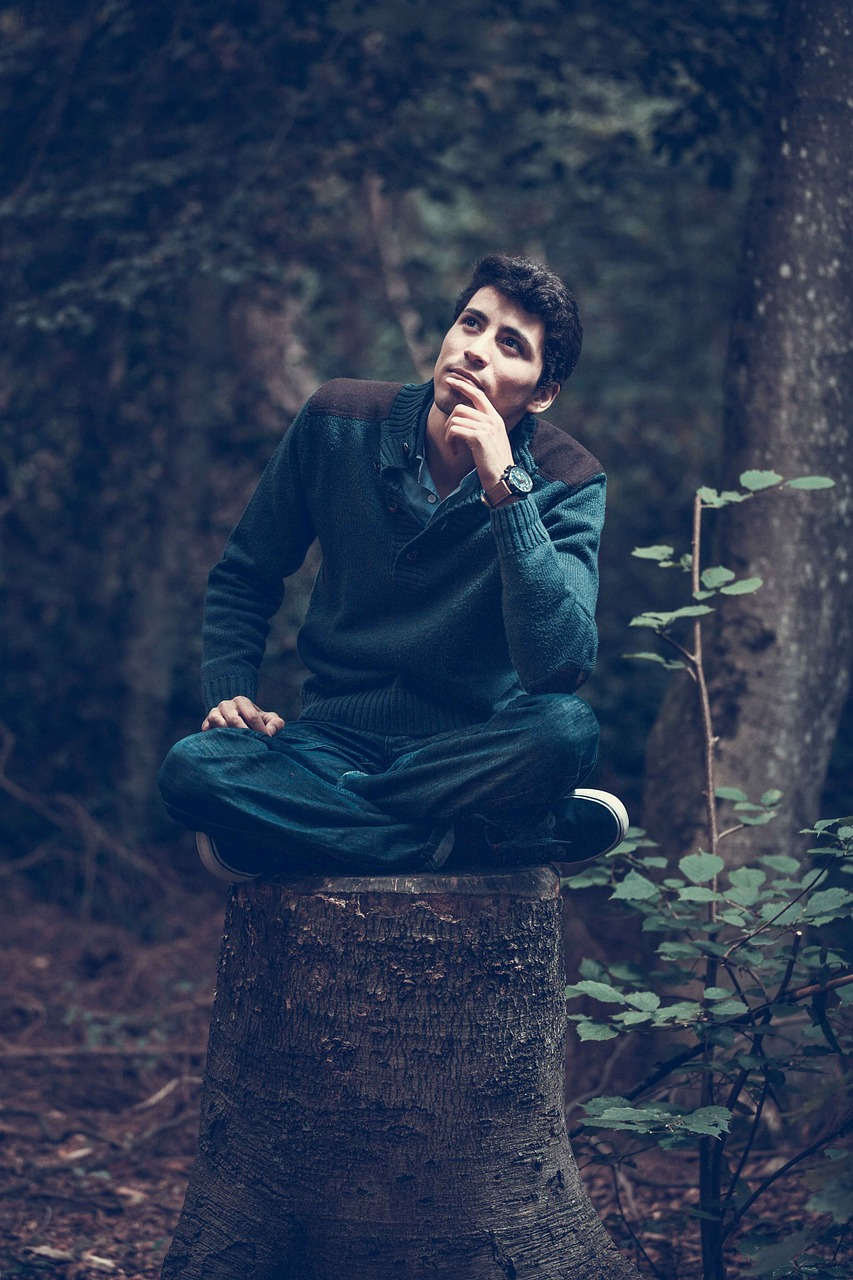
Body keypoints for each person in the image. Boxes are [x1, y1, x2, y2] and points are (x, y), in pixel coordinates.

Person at [158, 253, 628, 880]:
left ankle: (307, 830)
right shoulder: (337, 421)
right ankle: (471, 843)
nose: (476, 350)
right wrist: (231, 695)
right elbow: (247, 573)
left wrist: (506, 492)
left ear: (542, 394)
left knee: (565, 731)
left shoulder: (569, 479)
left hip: (466, 754)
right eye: (470, 323)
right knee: (195, 769)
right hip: (330, 745)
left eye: (510, 344)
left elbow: (558, 665)